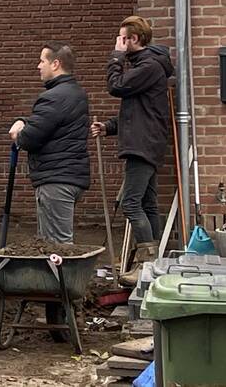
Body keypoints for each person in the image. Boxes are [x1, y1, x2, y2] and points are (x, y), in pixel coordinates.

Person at [91, 16, 174, 285]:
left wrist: (115, 57)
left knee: (131, 203)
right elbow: (140, 111)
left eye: (121, 38)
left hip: (143, 146)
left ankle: (146, 263)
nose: (118, 42)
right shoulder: (147, 66)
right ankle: (154, 264)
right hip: (146, 142)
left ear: (133, 39)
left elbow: (116, 86)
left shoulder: (148, 66)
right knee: (147, 204)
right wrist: (109, 127)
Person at [8, 42, 90, 244]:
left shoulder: (53, 98)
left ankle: (64, 277)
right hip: (70, 175)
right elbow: (50, 125)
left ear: (55, 64)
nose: (38, 66)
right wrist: (24, 121)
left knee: (58, 246)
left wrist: (19, 133)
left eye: (42, 60)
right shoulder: (75, 93)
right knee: (53, 242)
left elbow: (30, 138)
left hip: (56, 179)